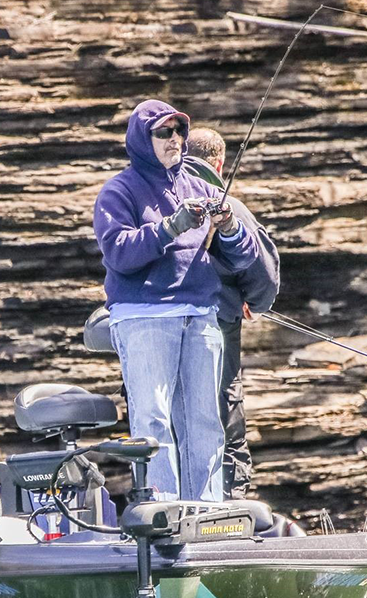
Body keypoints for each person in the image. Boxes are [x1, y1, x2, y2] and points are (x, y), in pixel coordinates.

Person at [92, 100, 259, 502]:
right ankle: (161, 509)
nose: (175, 140)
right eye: (164, 133)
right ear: (141, 140)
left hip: (201, 317)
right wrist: (171, 226)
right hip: (144, 319)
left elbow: (246, 255)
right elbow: (118, 252)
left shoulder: (203, 185)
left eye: (180, 131)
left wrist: (231, 227)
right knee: (152, 419)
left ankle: (207, 511)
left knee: (206, 421)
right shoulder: (119, 191)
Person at [183, 128, 281, 499]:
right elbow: (264, 272)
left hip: (156, 325)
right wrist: (253, 303)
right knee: (222, 404)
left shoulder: (156, 200)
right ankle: (228, 499)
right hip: (216, 323)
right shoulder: (228, 206)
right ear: (219, 163)